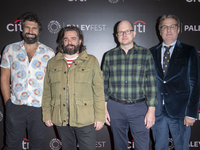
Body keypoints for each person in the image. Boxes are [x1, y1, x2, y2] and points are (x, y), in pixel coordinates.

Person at [42, 26, 105, 150]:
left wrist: (99, 116)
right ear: (62, 41)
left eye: (73, 38)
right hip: (61, 119)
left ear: (80, 40)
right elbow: (47, 91)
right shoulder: (53, 62)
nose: (69, 42)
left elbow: (98, 90)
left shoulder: (91, 61)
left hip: (85, 120)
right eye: (66, 39)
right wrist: (46, 115)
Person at [0, 12, 55, 150]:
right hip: (16, 106)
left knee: (37, 146)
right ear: (22, 30)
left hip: (39, 108)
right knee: (11, 145)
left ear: (39, 31)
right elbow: (4, 77)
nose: (30, 31)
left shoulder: (49, 53)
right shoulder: (10, 49)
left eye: (34, 28)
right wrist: (8, 103)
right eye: (27, 28)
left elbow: (52, 82)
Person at [102, 20, 157, 150]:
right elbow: (103, 84)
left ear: (134, 33)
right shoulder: (109, 56)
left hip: (139, 108)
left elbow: (151, 83)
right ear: (116, 35)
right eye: (121, 32)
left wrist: (151, 110)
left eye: (127, 31)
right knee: (119, 146)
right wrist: (103, 109)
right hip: (115, 107)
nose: (124, 34)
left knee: (142, 146)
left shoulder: (145, 54)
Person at [150, 15, 200, 150]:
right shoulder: (150, 52)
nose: (169, 30)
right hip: (157, 111)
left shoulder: (189, 51)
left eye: (172, 26)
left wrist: (191, 113)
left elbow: (195, 84)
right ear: (159, 31)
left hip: (181, 111)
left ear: (178, 29)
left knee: (182, 147)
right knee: (159, 147)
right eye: (165, 27)